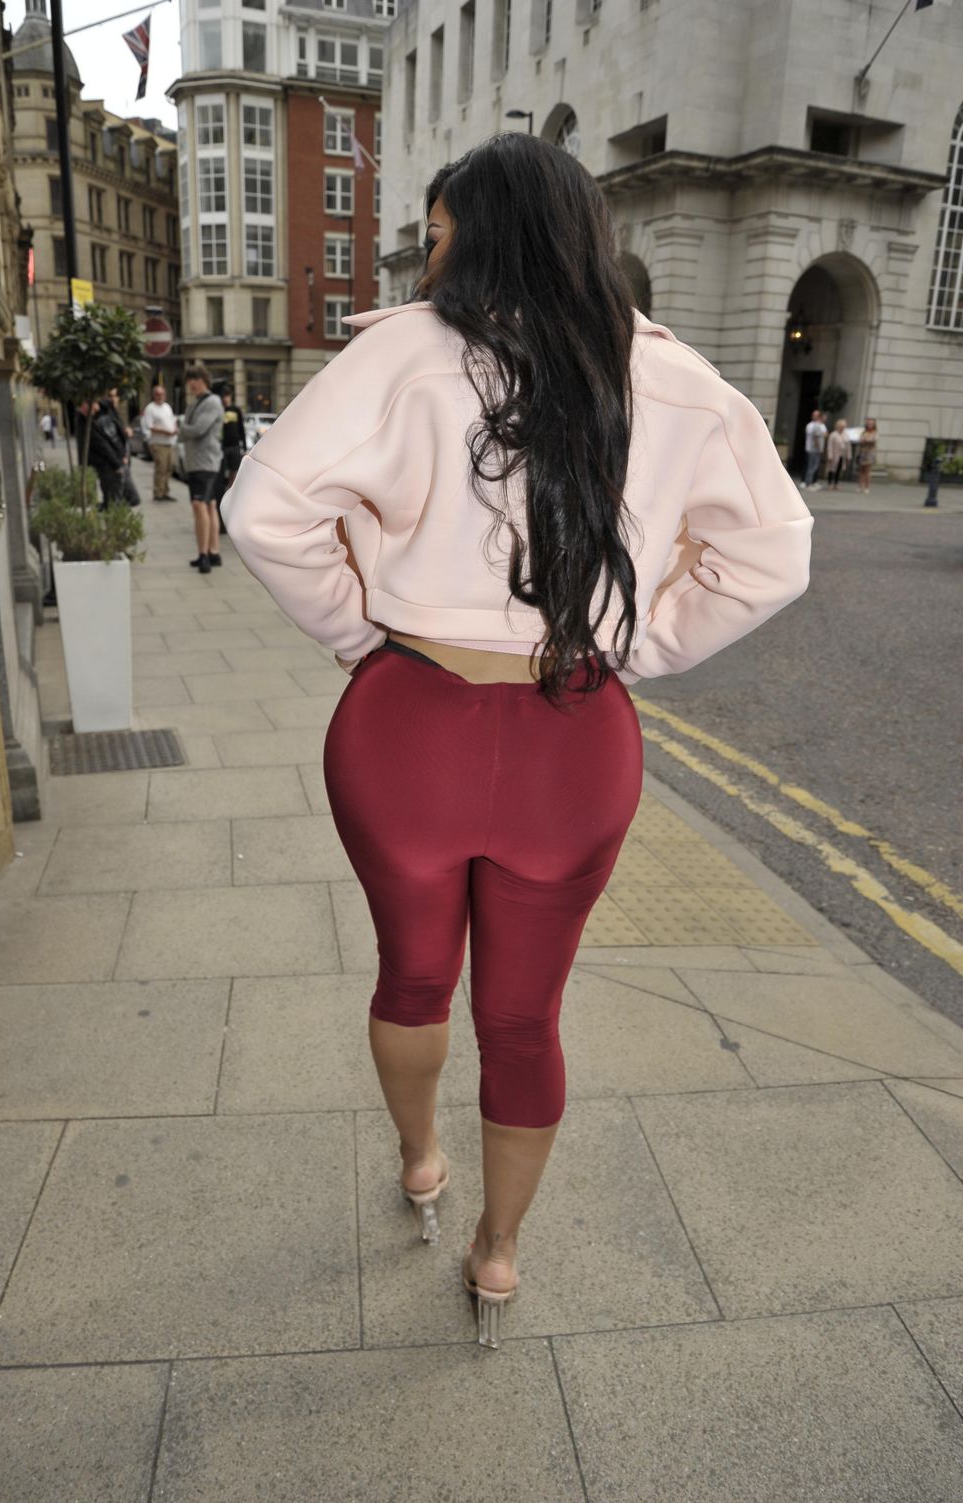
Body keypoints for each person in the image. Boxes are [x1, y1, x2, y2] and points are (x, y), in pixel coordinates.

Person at [221, 133, 813, 1349]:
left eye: (438, 232)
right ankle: (497, 1253)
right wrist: (639, 646)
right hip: (573, 734)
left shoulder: (398, 353)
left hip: (407, 724)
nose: (430, 257)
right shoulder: (673, 376)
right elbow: (772, 557)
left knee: (411, 975)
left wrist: (357, 632)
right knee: (525, 1018)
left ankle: (420, 1161)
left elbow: (263, 510)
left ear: (478, 234)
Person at [179, 363, 224, 574]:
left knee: (199, 505)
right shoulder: (195, 403)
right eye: (189, 380)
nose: (192, 384)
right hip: (198, 462)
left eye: (195, 379)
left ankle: (204, 555)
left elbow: (197, 429)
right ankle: (213, 552)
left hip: (205, 461)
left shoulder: (212, 401)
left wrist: (181, 427)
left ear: (204, 380)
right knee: (209, 505)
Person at [74, 398, 125, 508]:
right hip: (99, 463)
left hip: (94, 463)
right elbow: (102, 444)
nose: (96, 408)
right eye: (94, 404)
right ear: (84, 404)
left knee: (104, 496)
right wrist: (116, 464)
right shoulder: (86, 423)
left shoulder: (86, 420)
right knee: (109, 496)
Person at [98, 388, 141, 507]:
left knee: (117, 500)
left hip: (120, 464)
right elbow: (110, 441)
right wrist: (119, 460)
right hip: (116, 465)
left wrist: (125, 431)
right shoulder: (105, 417)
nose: (113, 399)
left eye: (115, 396)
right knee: (125, 499)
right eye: (110, 396)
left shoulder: (114, 414)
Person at [212, 382, 247, 524]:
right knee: (223, 473)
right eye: (223, 396)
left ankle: (232, 493)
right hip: (223, 447)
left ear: (230, 397)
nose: (225, 399)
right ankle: (224, 494)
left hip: (235, 446)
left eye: (227, 396)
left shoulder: (236, 410)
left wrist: (243, 446)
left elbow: (241, 428)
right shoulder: (219, 410)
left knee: (234, 471)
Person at [142, 383, 178, 502]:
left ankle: (165, 491)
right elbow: (149, 426)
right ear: (154, 395)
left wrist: (174, 428)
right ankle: (158, 492)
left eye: (162, 394)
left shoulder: (167, 407)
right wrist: (165, 431)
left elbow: (172, 420)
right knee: (161, 468)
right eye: (158, 394)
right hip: (158, 443)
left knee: (169, 467)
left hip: (169, 442)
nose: (160, 396)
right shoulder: (150, 408)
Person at [801, 408, 827, 491]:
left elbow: (825, 434)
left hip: (815, 449)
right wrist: (819, 447)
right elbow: (815, 436)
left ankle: (810, 482)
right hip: (813, 449)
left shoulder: (820, 425)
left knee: (814, 466)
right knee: (811, 467)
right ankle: (808, 483)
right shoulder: (815, 425)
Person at [825, 418, 852, 489]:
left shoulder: (846, 435)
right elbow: (830, 446)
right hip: (834, 455)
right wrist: (830, 455)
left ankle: (836, 484)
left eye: (843, 427)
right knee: (831, 469)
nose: (842, 428)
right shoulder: (833, 435)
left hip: (842, 455)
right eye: (841, 426)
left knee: (839, 469)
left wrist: (849, 456)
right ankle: (829, 483)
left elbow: (848, 446)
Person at [856, 417, 878, 493]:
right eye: (868, 423)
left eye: (871, 424)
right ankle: (860, 486)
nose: (869, 425)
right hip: (862, 453)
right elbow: (860, 440)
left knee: (867, 471)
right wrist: (865, 440)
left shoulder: (875, 432)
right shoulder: (864, 432)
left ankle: (867, 487)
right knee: (861, 470)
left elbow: (873, 440)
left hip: (869, 453)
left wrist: (866, 440)